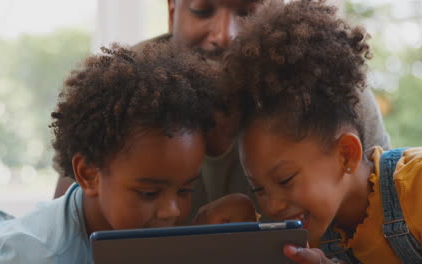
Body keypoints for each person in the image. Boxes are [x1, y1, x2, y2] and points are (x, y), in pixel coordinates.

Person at [55, 0, 391, 223]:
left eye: (248, 11)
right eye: (202, 10)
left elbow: (381, 214)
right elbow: (68, 226)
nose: (224, 35)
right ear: (173, 10)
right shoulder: (125, 92)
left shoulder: (326, 95)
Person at [0, 42, 223, 263]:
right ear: (88, 174)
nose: (172, 211)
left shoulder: (125, 219)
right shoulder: (42, 256)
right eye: (149, 193)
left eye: (186, 190)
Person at [222, 0, 422, 263]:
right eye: (258, 189)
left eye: (285, 180)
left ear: (346, 155)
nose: (271, 206)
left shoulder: (418, 190)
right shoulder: (298, 232)